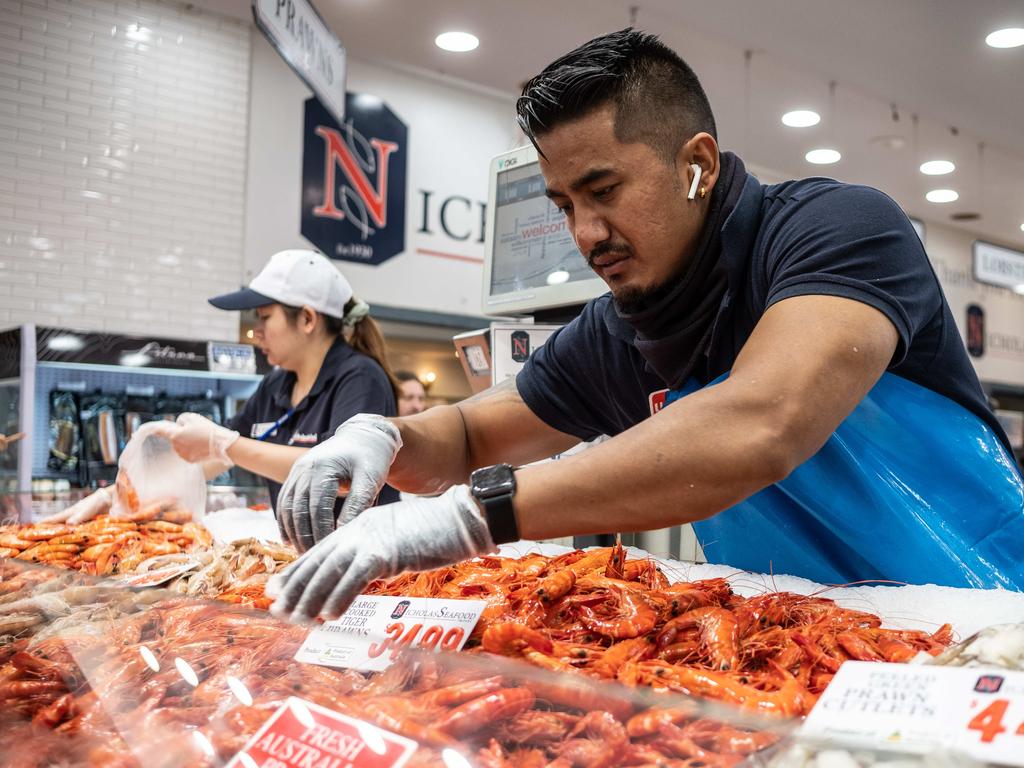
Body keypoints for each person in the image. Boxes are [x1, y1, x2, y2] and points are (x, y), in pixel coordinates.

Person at [267, 30, 1024, 624]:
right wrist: (380, 437)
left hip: (985, 628)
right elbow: (467, 438)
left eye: (605, 190)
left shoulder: (839, 229)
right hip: (806, 643)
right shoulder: (619, 333)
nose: (586, 232)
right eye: (564, 204)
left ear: (696, 164)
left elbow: (764, 421)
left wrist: (482, 512)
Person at [47, 249, 400, 524]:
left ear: (307, 319)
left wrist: (225, 443)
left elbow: (340, 472)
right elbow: (205, 461)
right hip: (303, 558)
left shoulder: (360, 379)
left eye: (264, 318)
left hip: (368, 569)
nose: (255, 331)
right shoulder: (276, 384)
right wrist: (120, 495)